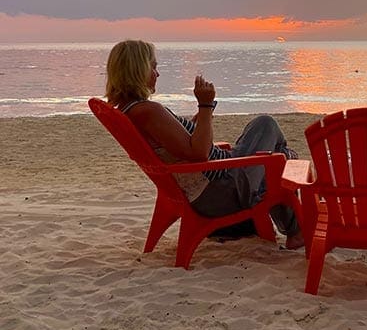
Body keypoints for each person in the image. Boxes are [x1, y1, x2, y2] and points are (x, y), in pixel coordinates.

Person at [105, 39, 303, 250]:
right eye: (153, 67)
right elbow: (200, 153)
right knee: (267, 127)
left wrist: (197, 121)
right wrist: (206, 105)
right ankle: (295, 229)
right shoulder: (148, 111)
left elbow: (175, 145)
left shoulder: (130, 111)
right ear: (138, 70)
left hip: (209, 181)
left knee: (272, 147)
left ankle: (286, 173)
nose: (157, 73)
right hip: (222, 189)